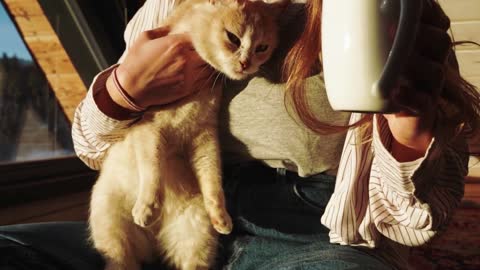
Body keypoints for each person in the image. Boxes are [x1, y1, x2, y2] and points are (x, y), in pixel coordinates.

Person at [1, 0, 479, 269]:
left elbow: (411, 222)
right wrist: (124, 92)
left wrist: (410, 131)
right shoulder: (172, 6)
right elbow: (90, 147)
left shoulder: (385, 12)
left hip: (307, 233)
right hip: (169, 210)